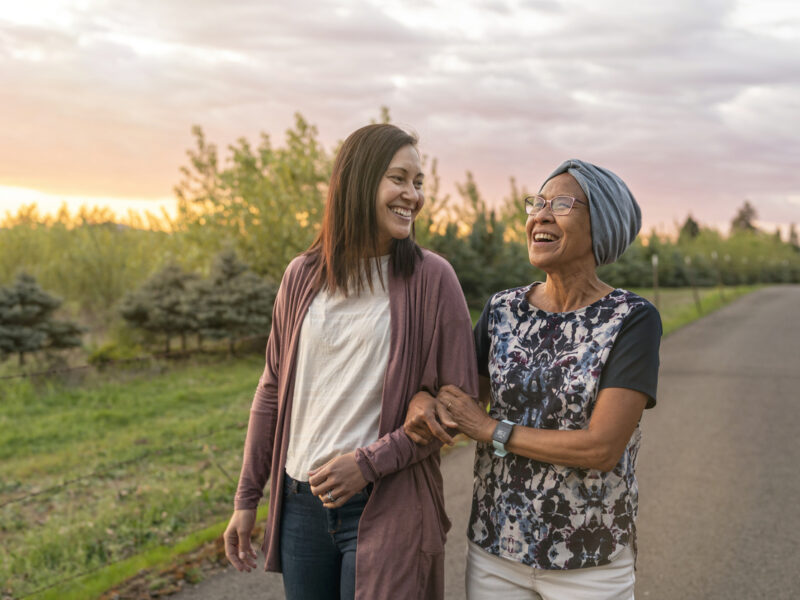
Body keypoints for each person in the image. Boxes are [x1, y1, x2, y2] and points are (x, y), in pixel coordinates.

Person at [223, 123, 478, 600]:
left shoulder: (433, 279)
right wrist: (247, 499)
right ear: (358, 182)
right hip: (301, 505)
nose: (413, 195)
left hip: (387, 500)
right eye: (398, 179)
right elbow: (272, 390)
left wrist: (368, 463)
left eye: (418, 182)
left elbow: (456, 406)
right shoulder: (302, 276)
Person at [405, 159, 661, 599]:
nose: (540, 214)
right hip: (496, 552)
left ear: (601, 225)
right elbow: (460, 402)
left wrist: (491, 429)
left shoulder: (631, 320)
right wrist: (423, 402)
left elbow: (601, 448)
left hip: (590, 560)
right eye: (537, 203)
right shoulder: (502, 310)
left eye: (561, 204)